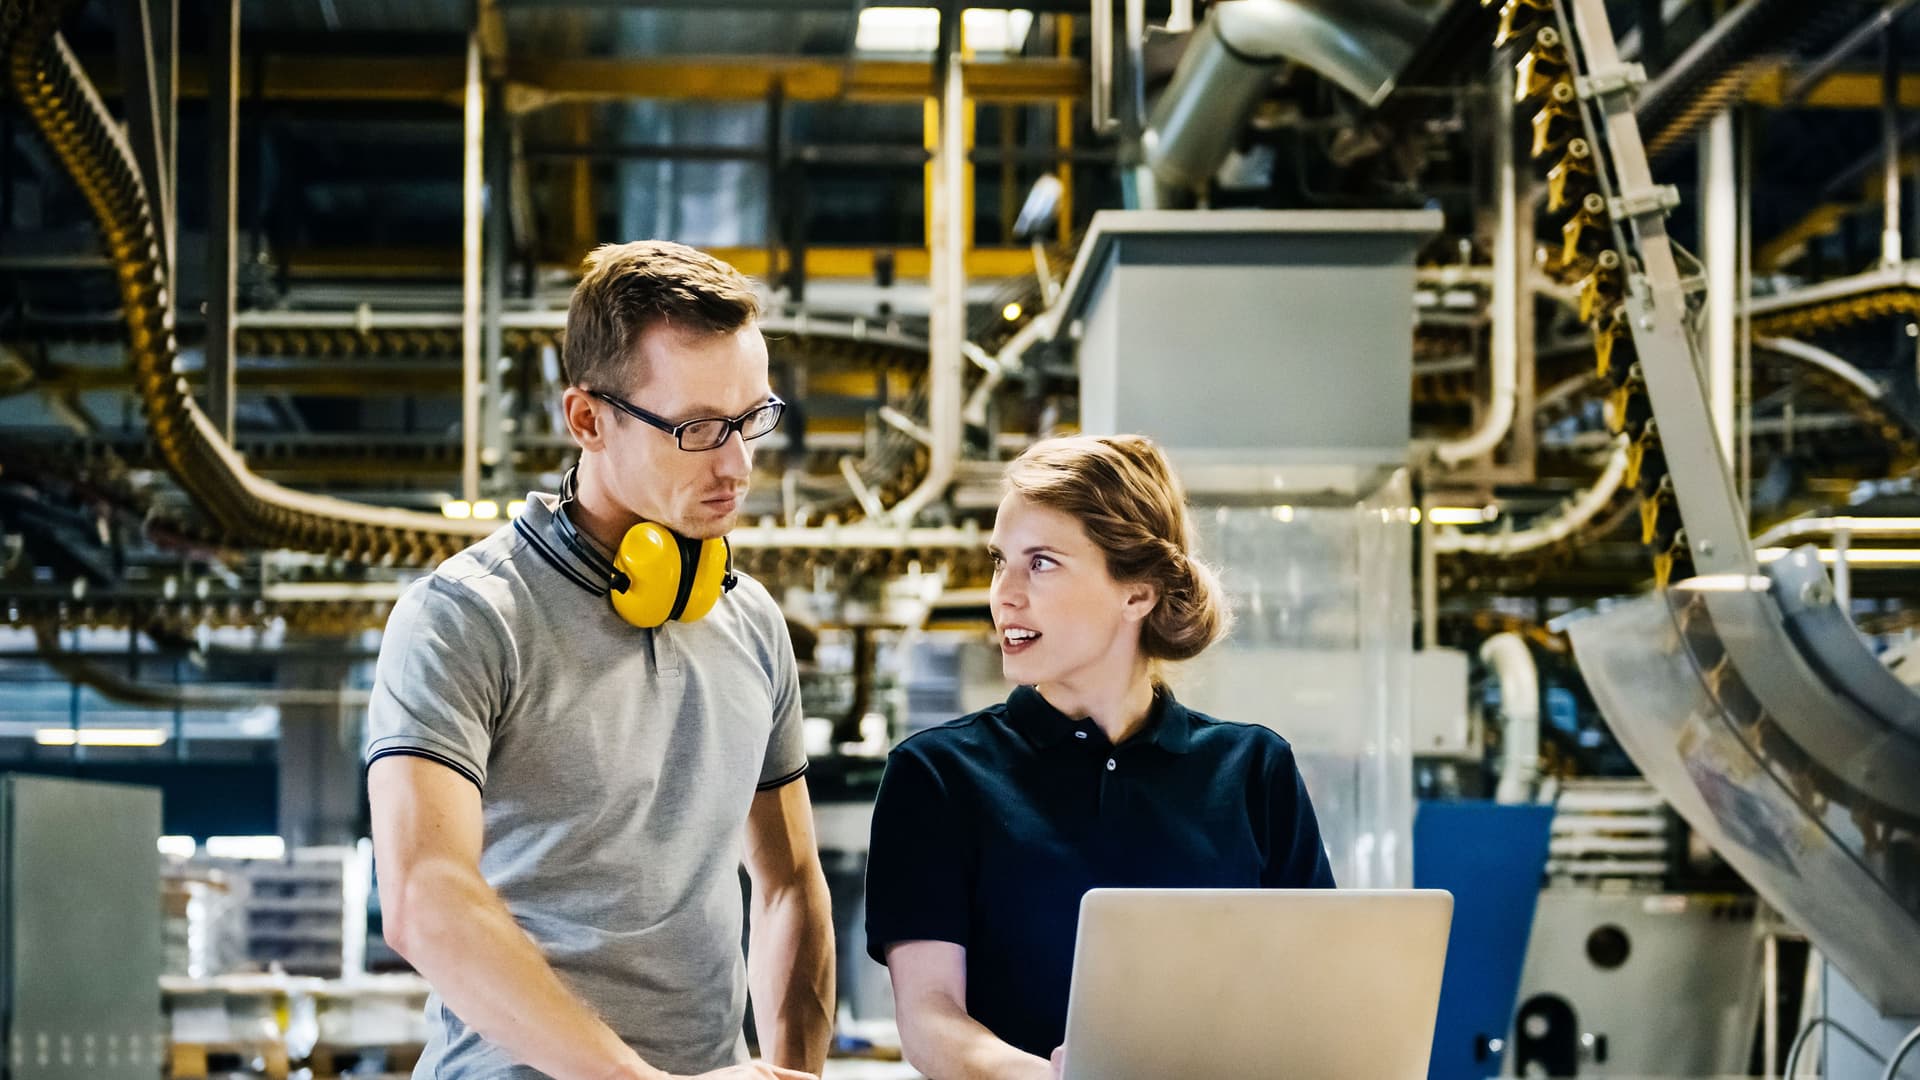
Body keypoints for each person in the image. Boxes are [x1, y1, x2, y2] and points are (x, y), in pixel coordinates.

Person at [365, 241, 834, 1080]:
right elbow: (422, 898)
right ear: (587, 420)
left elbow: (790, 881)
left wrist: (795, 1071)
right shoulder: (468, 618)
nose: (737, 464)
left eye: (753, 418)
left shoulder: (753, 622)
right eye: (697, 428)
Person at [863, 433, 1336, 1079]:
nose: (1003, 593)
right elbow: (929, 1014)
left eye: (1042, 563)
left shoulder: (1253, 770)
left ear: (1137, 593)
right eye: (1000, 561)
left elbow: (1314, 995)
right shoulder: (937, 775)